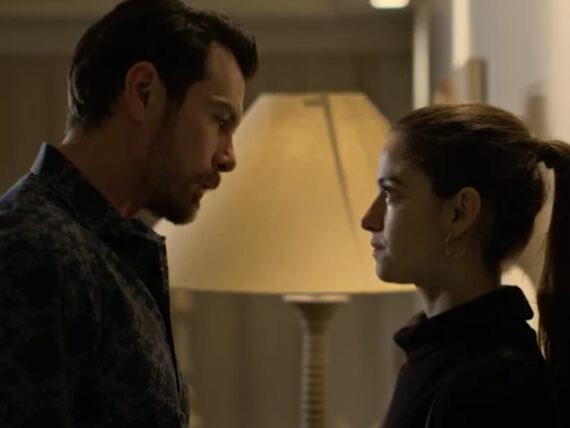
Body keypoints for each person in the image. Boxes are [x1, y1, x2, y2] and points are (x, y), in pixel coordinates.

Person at [0, 0, 257, 426]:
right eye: (219, 120)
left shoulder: (103, 250)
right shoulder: (33, 250)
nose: (228, 157)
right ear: (143, 92)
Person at [361, 103, 567, 427]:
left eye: (390, 194)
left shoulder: (493, 387)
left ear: (460, 212)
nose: (369, 219)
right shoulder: (438, 356)